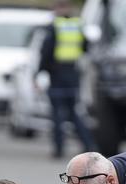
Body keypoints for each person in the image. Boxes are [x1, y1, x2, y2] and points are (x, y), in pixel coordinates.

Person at [37, 0, 96, 159]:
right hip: (73, 73)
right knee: (73, 112)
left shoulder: (54, 26)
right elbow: (86, 47)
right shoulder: (77, 25)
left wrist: (39, 72)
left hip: (57, 74)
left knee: (57, 113)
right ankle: (88, 144)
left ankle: (59, 148)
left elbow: (46, 52)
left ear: (58, 8)